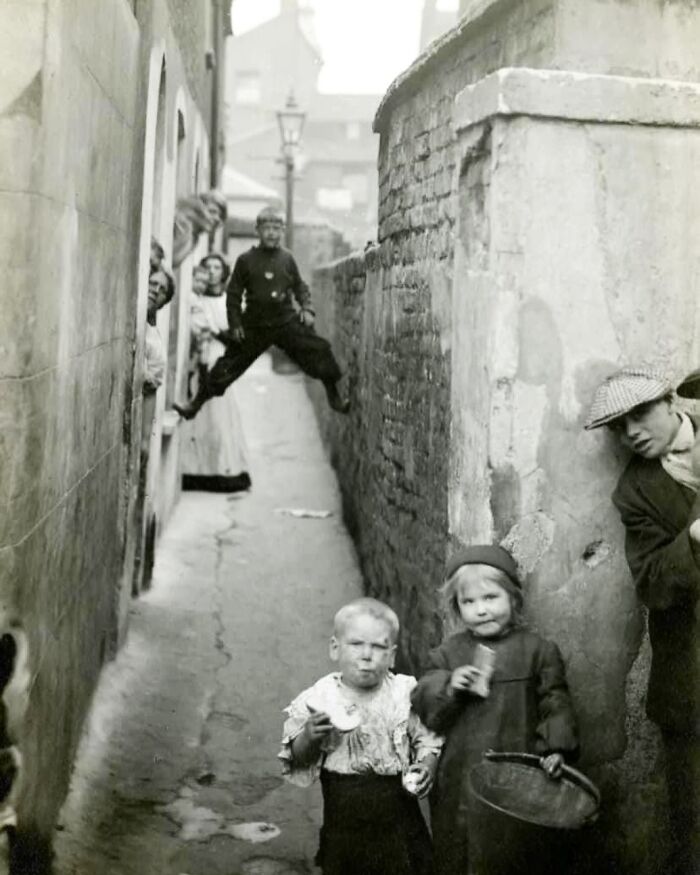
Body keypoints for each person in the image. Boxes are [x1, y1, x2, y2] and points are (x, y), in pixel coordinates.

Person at [585, 366, 700, 875]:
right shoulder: (634, 492)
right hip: (691, 674)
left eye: (640, 413)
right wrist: (692, 538)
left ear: (672, 402)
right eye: (618, 425)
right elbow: (652, 584)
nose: (630, 431)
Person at [411, 545, 579, 875]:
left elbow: (555, 703)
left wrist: (556, 748)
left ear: (513, 598)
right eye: (469, 602)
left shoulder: (538, 652)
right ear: (457, 607)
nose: (481, 610)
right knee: (461, 851)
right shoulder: (447, 655)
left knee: (517, 853)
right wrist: (450, 685)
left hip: (518, 778)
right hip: (461, 779)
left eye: (491, 597)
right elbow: (425, 704)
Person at [279, 598, 442, 875]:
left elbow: (426, 737)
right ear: (335, 648)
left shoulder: (403, 694)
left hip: (398, 812)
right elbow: (296, 757)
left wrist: (426, 765)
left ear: (392, 656)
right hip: (344, 813)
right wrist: (309, 736)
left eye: (378, 647)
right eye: (356, 644)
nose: (367, 655)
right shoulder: (320, 698)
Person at [173, 205, 350, 419]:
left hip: (285, 321)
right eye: (267, 228)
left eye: (276, 228)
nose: (271, 233)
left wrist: (307, 308)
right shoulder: (245, 260)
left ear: (282, 231)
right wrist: (236, 324)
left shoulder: (287, 259)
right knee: (228, 365)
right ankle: (194, 405)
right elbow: (233, 295)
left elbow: (300, 287)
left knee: (318, 349)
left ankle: (334, 396)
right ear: (257, 230)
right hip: (254, 324)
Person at [180, 253, 251, 493]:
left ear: (224, 273)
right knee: (199, 413)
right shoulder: (194, 300)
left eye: (216, 268)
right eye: (207, 267)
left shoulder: (229, 303)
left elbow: (240, 337)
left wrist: (219, 333)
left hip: (221, 358)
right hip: (198, 358)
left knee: (220, 412)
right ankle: (194, 470)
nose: (211, 272)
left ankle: (223, 471)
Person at [172, 190, 227, 269]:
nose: (217, 219)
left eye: (220, 216)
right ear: (198, 208)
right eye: (212, 211)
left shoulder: (194, 239)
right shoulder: (181, 223)